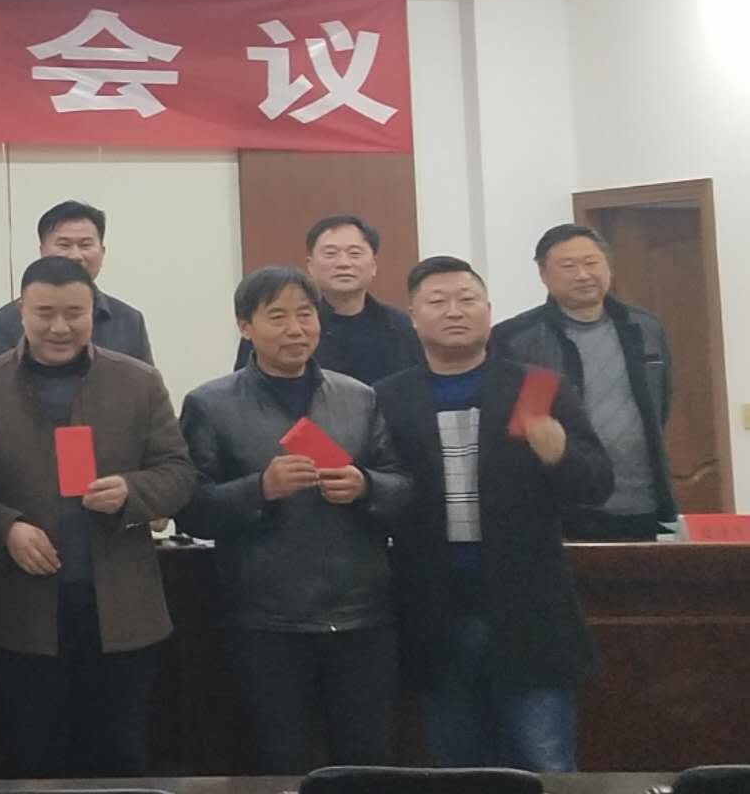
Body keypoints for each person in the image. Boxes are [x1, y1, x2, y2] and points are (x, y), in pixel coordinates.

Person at [0, 255, 195, 779]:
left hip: (122, 611)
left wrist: (132, 490)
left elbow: (179, 473)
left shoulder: (138, 381)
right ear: (21, 311)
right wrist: (5, 528)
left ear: (93, 313)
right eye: (44, 313)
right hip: (24, 610)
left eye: (74, 313)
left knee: (121, 757)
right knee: (33, 759)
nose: (59, 327)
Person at [377, 256, 612, 772]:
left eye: (467, 299)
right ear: (413, 316)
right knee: (458, 768)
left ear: (488, 309)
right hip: (435, 610)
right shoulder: (388, 397)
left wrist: (559, 454)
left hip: (528, 609)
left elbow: (597, 485)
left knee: (544, 761)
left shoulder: (537, 388)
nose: (454, 311)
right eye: (438, 302)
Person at [183, 267, 411, 774]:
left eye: (305, 315)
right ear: (245, 326)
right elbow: (192, 507)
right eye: (277, 316)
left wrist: (366, 485)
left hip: (361, 614)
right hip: (266, 619)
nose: (295, 329)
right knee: (277, 762)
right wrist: (259, 488)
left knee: (368, 764)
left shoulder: (358, 397)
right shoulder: (210, 404)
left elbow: (402, 486)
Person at [492, 224, 678, 541]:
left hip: (645, 503)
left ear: (608, 266)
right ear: (543, 274)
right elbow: (513, 426)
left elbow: (660, 405)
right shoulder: (517, 339)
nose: (583, 275)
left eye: (591, 263)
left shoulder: (644, 327)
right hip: (561, 508)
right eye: (568, 266)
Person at [234, 215, 424, 385]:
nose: (343, 263)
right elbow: (245, 389)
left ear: (373, 265)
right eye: (330, 254)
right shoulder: (285, 327)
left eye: (355, 254)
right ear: (310, 265)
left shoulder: (401, 326)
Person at [0, 200, 154, 365]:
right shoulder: (5, 321)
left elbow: (143, 383)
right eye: (64, 245)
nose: (76, 256)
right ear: (42, 251)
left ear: (102, 252)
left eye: (85, 245)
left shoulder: (129, 320)